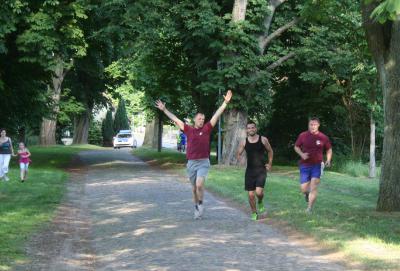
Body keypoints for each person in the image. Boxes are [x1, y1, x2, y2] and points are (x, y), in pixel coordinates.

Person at [155, 90, 233, 219]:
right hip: (191, 162)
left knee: (199, 185)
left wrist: (225, 103)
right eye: (199, 119)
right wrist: (164, 110)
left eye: (203, 119)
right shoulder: (188, 130)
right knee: (193, 189)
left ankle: (201, 204)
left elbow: (217, 115)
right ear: (194, 120)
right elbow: (175, 119)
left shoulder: (207, 128)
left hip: (203, 162)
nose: (202, 120)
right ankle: (196, 206)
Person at [236, 121, 273, 221]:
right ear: (247, 130)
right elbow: (238, 154)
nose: (251, 129)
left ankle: (260, 201)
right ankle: (254, 212)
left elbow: (270, 151)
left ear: (256, 129)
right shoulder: (244, 141)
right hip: (250, 171)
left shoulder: (263, 139)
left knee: (259, 193)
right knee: (251, 194)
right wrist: (241, 160)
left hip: (261, 170)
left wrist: (269, 163)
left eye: (253, 127)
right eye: (249, 128)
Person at [294, 117, 332, 214]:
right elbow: (296, 146)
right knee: (303, 188)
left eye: (315, 124)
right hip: (305, 165)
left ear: (318, 125)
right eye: (311, 124)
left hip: (317, 165)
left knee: (314, 186)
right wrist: (302, 154)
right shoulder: (303, 135)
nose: (313, 126)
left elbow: (329, 149)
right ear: (308, 125)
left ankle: (309, 208)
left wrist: (328, 159)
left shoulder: (323, 137)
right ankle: (306, 194)